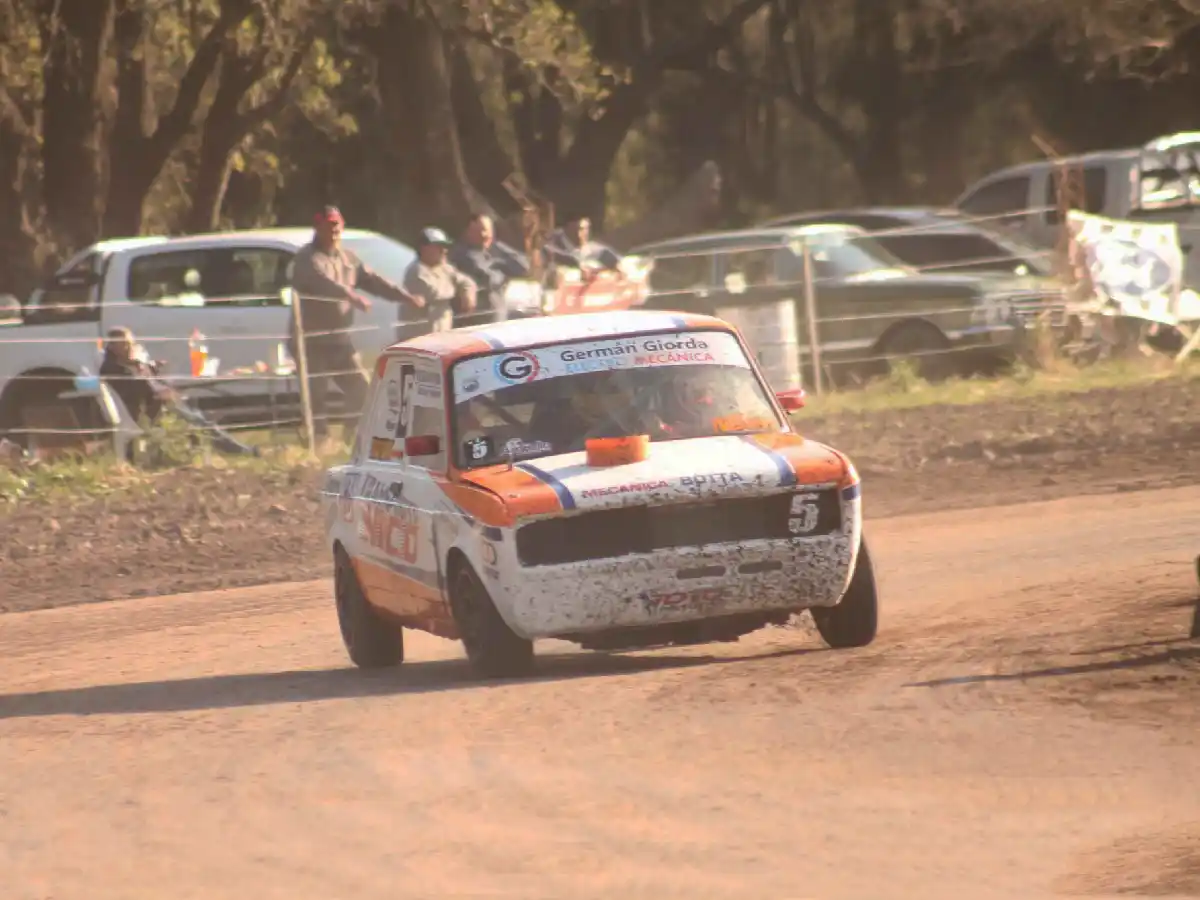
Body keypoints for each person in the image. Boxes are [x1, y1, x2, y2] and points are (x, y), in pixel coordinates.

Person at [289, 205, 424, 440]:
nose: (334, 230)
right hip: (311, 341)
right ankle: (317, 442)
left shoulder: (348, 258)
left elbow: (374, 281)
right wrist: (350, 296)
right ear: (317, 227)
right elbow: (323, 283)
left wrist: (406, 297)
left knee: (361, 387)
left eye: (337, 225)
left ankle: (351, 435)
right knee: (315, 395)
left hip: (340, 340)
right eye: (329, 225)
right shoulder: (306, 258)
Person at [99, 327, 258, 457]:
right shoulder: (113, 369)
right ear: (112, 347)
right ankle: (240, 451)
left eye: (130, 344)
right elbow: (135, 394)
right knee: (199, 421)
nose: (128, 348)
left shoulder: (134, 363)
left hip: (165, 402)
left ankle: (230, 449)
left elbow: (150, 381)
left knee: (200, 418)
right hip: (152, 411)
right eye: (123, 345)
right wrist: (161, 394)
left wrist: (153, 368)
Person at [449, 213, 530, 323]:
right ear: (468, 231)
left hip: (499, 313)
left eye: (488, 231)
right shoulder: (460, 253)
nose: (484, 235)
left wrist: (498, 258)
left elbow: (523, 266)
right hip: (476, 316)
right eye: (479, 231)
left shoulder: (495, 249)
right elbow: (487, 277)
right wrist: (500, 267)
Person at [403, 227, 477, 332]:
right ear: (424, 248)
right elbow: (435, 293)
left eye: (444, 247)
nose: (444, 251)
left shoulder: (444, 268)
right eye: (438, 247)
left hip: (442, 331)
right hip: (420, 336)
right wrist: (456, 289)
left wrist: (468, 295)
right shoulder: (415, 271)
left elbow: (467, 282)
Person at [544, 216, 622, 272]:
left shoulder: (598, 250)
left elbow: (617, 263)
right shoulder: (559, 252)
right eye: (580, 229)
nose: (585, 232)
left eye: (587, 228)